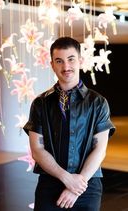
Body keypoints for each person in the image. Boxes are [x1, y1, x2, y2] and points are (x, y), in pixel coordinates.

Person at [23, 36, 115, 211]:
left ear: (80, 61)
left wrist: (76, 186)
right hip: (49, 184)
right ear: (52, 65)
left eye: (71, 59)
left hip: (87, 186)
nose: (66, 67)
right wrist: (67, 179)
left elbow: (99, 149)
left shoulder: (98, 103)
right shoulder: (40, 103)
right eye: (59, 61)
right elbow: (37, 150)